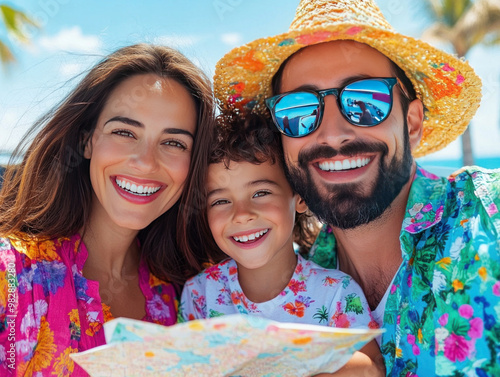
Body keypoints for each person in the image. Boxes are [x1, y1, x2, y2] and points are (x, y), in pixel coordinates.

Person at [213, 0, 500, 376]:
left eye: (365, 101)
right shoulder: (294, 285)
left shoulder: (488, 213)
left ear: (412, 124)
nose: (332, 135)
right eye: (297, 111)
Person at [0, 44, 215, 376]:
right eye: (124, 132)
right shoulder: (11, 278)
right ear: (87, 140)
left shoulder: (192, 292)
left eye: (173, 142)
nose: (145, 162)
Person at [179, 114, 385, 376]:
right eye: (220, 201)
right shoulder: (199, 294)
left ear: (299, 197)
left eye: (260, 193)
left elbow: (372, 368)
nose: (241, 214)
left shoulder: (335, 292)